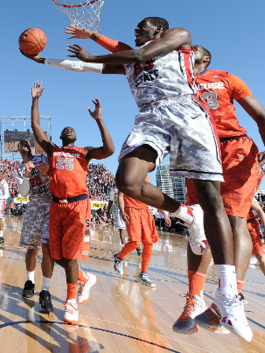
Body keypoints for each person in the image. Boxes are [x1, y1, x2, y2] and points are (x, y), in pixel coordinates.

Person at [37, 19, 251, 341]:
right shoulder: (129, 63)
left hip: (187, 115)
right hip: (151, 120)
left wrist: (94, 47)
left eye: (141, 28)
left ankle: (228, 297)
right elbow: (82, 67)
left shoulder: (179, 39)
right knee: (127, 179)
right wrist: (41, 60)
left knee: (211, 198)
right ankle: (186, 215)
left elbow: (135, 55)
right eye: (135, 31)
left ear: (158, 32)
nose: (135, 32)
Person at [169, 45, 265, 336]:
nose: (182, 57)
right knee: (199, 226)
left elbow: (263, 117)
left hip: (235, 150)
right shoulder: (174, 80)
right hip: (198, 153)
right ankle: (194, 299)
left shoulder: (227, 79)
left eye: (189, 53)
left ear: (204, 60)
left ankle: (229, 302)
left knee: (234, 221)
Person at [30, 82, 113, 325]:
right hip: (57, 206)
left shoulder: (84, 151)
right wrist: (35, 99)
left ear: (74, 136)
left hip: (78, 205)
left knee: (71, 254)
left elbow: (109, 149)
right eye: (65, 128)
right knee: (55, 254)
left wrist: (99, 119)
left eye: (72, 128)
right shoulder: (53, 150)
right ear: (61, 137)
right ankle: (84, 278)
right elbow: (36, 127)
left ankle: (71, 302)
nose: (68, 128)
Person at [14, 139, 57, 313]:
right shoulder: (18, 168)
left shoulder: (43, 159)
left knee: (48, 249)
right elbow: (24, 193)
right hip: (33, 206)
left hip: (50, 206)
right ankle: (30, 281)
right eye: (20, 143)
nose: (23, 144)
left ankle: (45, 290)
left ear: (30, 147)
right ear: (18, 150)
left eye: (26, 142)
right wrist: (26, 174)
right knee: (31, 248)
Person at [112, 176, 170, 287]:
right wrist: (123, 211)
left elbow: (152, 198)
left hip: (145, 211)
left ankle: (143, 273)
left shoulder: (147, 178)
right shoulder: (127, 173)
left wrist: (163, 213)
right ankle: (119, 258)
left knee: (149, 243)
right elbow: (120, 195)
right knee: (135, 242)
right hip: (131, 209)